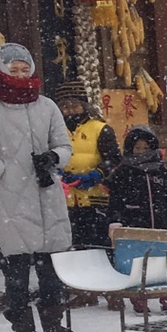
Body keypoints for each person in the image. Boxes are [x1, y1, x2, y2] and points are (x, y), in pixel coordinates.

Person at [0, 41, 71, 332]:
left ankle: (54, 324)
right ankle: (22, 327)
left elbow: (64, 144)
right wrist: (1, 170)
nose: (19, 75)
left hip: (46, 196)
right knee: (17, 271)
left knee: (51, 270)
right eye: (12, 69)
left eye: (24, 69)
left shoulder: (47, 106)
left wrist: (54, 158)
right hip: (8, 200)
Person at [105, 125, 167, 312]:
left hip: (161, 224)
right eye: (137, 148)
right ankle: (139, 298)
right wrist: (115, 221)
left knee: (164, 261)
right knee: (139, 263)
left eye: (145, 148)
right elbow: (115, 200)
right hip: (134, 225)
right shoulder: (123, 172)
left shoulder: (161, 171)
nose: (141, 152)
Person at [56, 81, 120, 248]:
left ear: (84, 106)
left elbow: (114, 160)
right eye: (65, 106)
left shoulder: (100, 129)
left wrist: (97, 174)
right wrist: (59, 175)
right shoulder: (54, 130)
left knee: (98, 247)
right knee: (70, 247)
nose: (70, 110)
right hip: (64, 201)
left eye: (75, 105)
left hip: (95, 199)